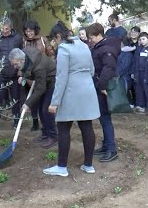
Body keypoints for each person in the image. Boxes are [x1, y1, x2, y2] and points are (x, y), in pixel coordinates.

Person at [43, 21, 100, 177]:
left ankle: (62, 167)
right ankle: (88, 165)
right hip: (87, 90)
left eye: (54, 40)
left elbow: (61, 78)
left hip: (71, 92)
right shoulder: (84, 46)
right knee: (86, 126)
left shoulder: (64, 49)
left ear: (59, 36)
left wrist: (54, 102)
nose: (54, 43)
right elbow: (92, 70)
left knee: (63, 128)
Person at [9, 47, 58, 148]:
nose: (14, 67)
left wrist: (27, 103)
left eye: (15, 64)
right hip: (42, 81)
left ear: (21, 60)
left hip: (51, 80)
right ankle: (45, 134)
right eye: (13, 64)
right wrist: (23, 76)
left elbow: (40, 89)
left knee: (46, 109)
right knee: (41, 109)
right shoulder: (25, 56)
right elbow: (27, 69)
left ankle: (53, 136)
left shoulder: (38, 67)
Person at [88, 22, 120, 162]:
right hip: (99, 86)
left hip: (103, 88)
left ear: (99, 35)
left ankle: (112, 150)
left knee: (106, 118)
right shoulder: (98, 47)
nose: (90, 40)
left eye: (91, 37)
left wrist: (101, 86)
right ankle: (106, 145)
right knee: (103, 118)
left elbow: (109, 68)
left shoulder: (106, 49)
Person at [21, 19, 55, 132]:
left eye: (31, 31)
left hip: (43, 75)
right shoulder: (24, 42)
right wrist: (21, 75)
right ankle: (35, 122)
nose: (29, 33)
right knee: (34, 101)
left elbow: (51, 55)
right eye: (27, 31)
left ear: (35, 30)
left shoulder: (43, 40)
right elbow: (21, 60)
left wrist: (49, 68)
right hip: (30, 77)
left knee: (44, 104)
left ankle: (49, 129)